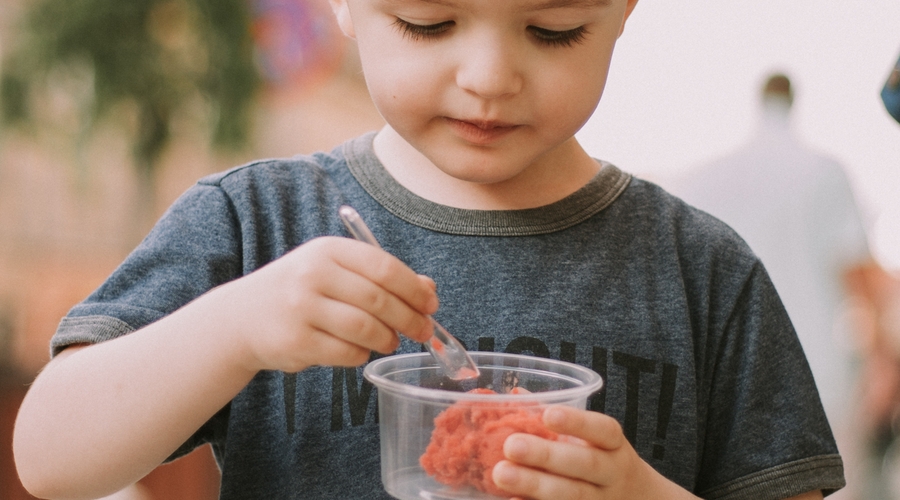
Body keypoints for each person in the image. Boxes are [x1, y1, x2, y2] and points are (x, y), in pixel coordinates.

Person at [13, 2, 843, 499]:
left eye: (552, 29)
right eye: (428, 21)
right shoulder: (256, 224)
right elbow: (49, 459)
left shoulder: (703, 272)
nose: (488, 75)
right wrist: (237, 327)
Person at [666, 74, 871, 499]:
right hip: (819, 373)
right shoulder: (824, 172)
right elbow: (857, 276)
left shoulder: (709, 177)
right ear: (793, 102)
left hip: (721, 378)